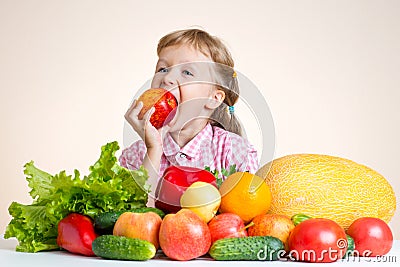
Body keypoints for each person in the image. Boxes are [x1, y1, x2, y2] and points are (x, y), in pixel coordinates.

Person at [120, 28, 259, 190]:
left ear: (213, 98)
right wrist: (154, 149)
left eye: (187, 72)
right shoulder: (137, 154)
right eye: (162, 69)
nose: (167, 78)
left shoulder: (234, 152)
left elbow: (246, 208)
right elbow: (137, 212)